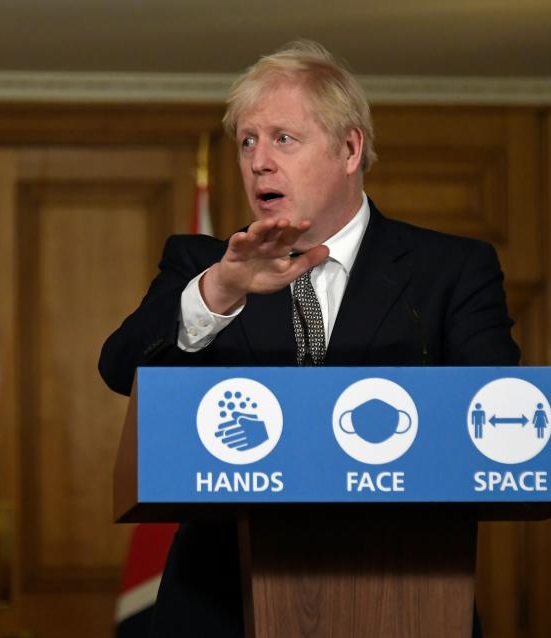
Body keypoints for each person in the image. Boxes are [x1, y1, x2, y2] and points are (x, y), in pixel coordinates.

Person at [100, 40, 519, 638]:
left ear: (349, 149)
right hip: (220, 599)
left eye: (282, 139)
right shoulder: (202, 263)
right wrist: (221, 290)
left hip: (406, 593)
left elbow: (493, 416)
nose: (258, 162)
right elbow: (119, 368)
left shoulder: (450, 270)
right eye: (247, 141)